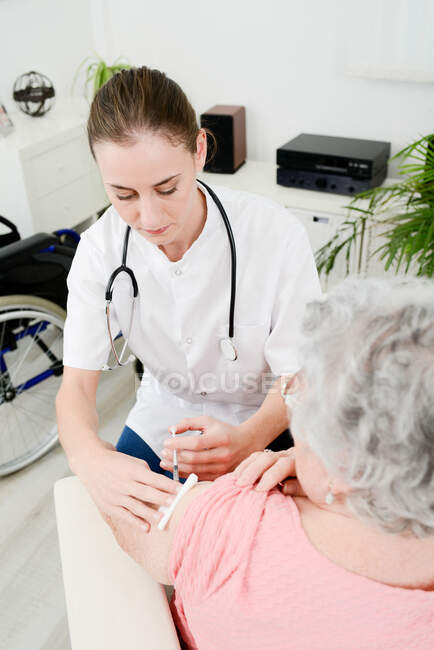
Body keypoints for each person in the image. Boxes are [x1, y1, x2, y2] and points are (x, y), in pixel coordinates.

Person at [55, 65, 321, 532]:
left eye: (166, 188)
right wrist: (89, 459)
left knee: (254, 552)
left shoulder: (274, 234)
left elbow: (299, 375)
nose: (149, 216)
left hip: (268, 418)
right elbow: (76, 386)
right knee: (127, 541)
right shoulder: (100, 252)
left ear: (199, 149)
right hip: (166, 414)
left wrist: (248, 439)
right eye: (123, 194)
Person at [104, 276, 434, 649]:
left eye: (301, 403)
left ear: (348, 466)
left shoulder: (236, 522)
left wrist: (98, 456)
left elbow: (124, 512)